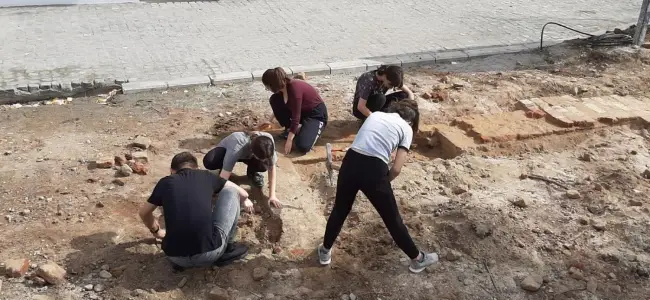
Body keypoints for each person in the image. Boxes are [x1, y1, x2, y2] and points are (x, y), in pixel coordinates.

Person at [317, 100, 438, 273]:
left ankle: (325, 251)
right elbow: (396, 169)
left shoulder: (375, 115)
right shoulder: (406, 128)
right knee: (392, 219)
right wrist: (382, 183)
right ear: (411, 121)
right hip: (374, 169)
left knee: (340, 210)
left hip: (350, 161)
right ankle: (417, 259)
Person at [138, 152, 253, 270]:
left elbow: (143, 213)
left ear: (172, 171)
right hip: (209, 254)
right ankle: (228, 249)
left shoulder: (165, 182)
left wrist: (157, 231)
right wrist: (246, 199)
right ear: (197, 168)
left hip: (175, 257)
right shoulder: (206, 175)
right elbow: (242, 193)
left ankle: (182, 261)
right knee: (231, 192)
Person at [203, 131, 282, 208]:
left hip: (248, 155)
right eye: (261, 159)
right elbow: (223, 179)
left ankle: (252, 172)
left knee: (264, 166)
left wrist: (272, 196)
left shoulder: (268, 142)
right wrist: (242, 198)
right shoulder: (237, 146)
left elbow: (271, 168)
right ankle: (223, 166)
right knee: (210, 161)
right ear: (253, 153)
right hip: (227, 152)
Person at [262, 67, 328, 154]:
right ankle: (291, 129)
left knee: (303, 146)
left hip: (315, 115)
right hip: (301, 112)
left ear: (273, 84)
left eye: (267, 86)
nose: (267, 89)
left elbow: (296, 117)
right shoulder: (282, 90)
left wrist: (289, 140)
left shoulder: (294, 90)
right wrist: (269, 120)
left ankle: (303, 130)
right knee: (274, 99)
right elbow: (278, 106)